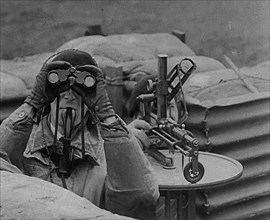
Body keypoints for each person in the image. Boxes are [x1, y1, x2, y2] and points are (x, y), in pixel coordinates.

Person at [0, 49, 159, 220]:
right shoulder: (24, 142)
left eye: (79, 90)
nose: (69, 96)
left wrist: (108, 117)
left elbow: (140, 197)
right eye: (60, 88)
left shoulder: (107, 149)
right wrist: (31, 104)